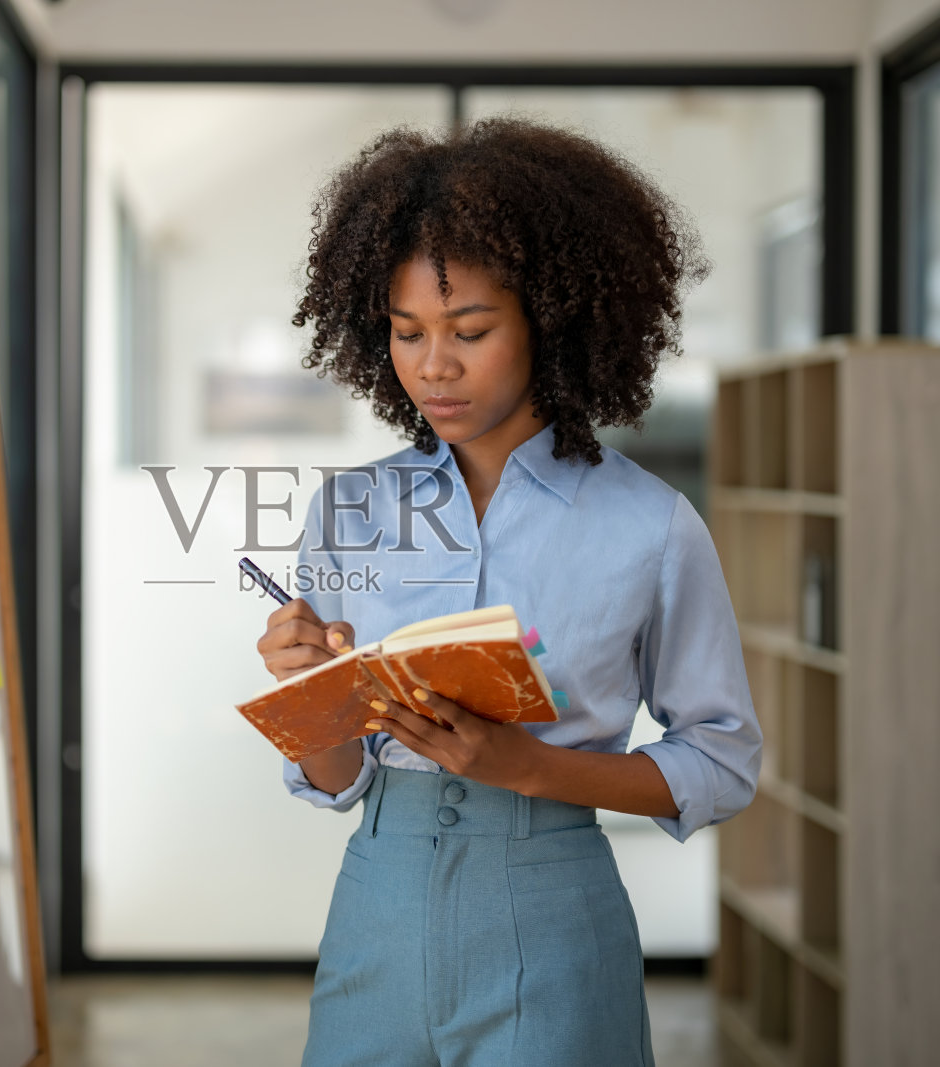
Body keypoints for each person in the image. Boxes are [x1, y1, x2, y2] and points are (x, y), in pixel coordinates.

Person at [254, 117, 763, 1066]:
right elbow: (337, 781)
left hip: (553, 914)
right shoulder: (351, 509)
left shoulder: (649, 525)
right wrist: (310, 709)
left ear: (553, 322)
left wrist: (528, 766)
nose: (432, 365)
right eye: (407, 332)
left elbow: (723, 762)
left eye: (470, 330)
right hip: (377, 905)